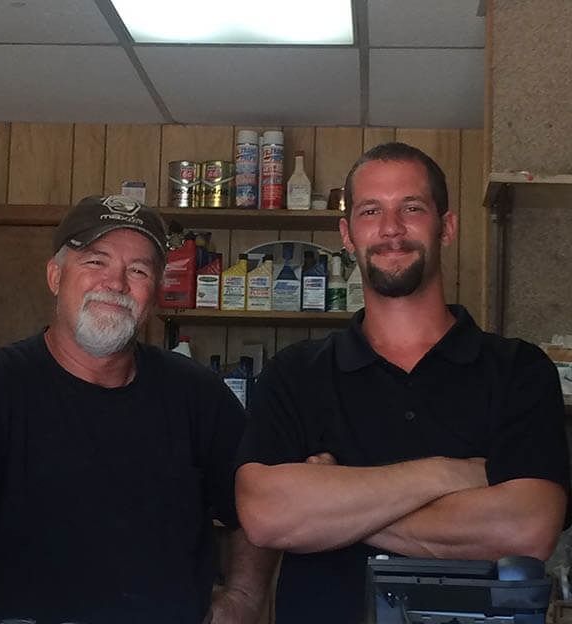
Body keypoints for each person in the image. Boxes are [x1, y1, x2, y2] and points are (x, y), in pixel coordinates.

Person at [235, 143, 570, 623]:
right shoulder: (295, 374)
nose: (391, 229)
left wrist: (331, 504)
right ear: (347, 235)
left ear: (446, 227)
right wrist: (449, 474)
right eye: (371, 211)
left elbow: (527, 529)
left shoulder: (518, 369)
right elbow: (266, 515)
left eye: (411, 208)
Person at [0, 195, 277, 624]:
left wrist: (244, 597)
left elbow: (259, 507)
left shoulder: (196, 394)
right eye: (96, 262)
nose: (115, 284)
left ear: (153, 293)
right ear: (55, 276)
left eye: (137, 270)